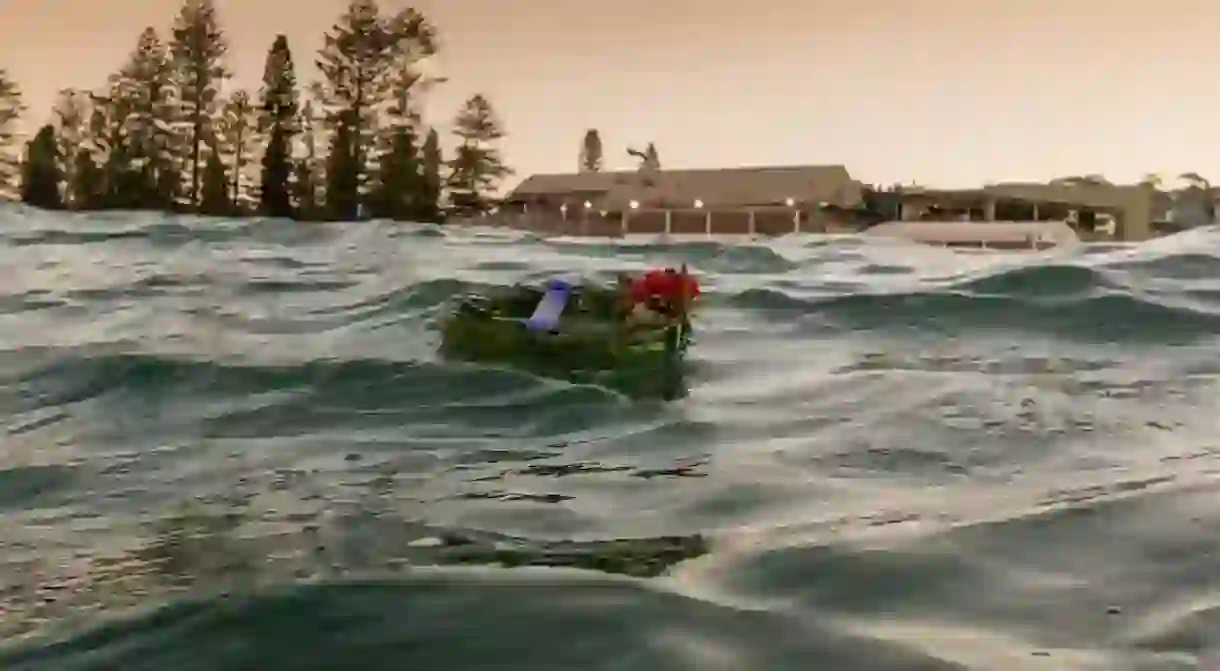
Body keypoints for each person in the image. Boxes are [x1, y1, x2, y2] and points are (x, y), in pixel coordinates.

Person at [621, 265, 700, 328]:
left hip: (671, 298)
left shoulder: (647, 282)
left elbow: (651, 302)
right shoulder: (653, 280)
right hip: (677, 299)